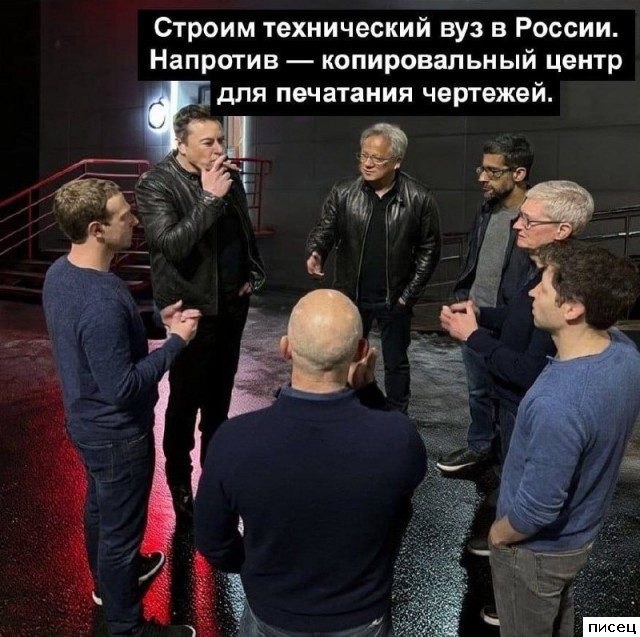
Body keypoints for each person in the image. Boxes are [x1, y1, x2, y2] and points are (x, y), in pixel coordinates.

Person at [194, 289, 427, 636]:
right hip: (362, 618)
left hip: (271, 614)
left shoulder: (234, 440)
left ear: (286, 348)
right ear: (361, 352)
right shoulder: (398, 438)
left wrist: (255, 569)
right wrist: (369, 392)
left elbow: (213, 541)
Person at [42, 179, 199, 636]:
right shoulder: (103, 298)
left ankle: (107, 584)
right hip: (117, 436)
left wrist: (154, 321)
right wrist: (176, 343)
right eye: (123, 214)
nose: (134, 218)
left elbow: (103, 343)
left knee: (100, 509)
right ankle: (126, 627)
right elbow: (124, 387)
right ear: (97, 229)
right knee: (120, 534)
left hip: (85, 424)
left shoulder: (61, 273)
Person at [439, 181, 594, 579]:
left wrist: (473, 336)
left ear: (562, 230)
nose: (516, 226)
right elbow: (516, 320)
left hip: (524, 405)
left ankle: (513, 561)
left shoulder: (562, 286)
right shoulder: (542, 270)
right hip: (512, 405)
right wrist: (480, 316)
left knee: (525, 488)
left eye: (528, 220)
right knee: (512, 475)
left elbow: (529, 370)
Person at [488, 241, 640, 637]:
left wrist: (499, 535)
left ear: (572, 308)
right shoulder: (625, 353)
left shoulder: (558, 402)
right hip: (581, 536)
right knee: (560, 617)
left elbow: (536, 511)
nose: (532, 293)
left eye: (543, 286)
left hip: (537, 553)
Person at [135, 105, 266, 521]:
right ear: (182, 144)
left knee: (219, 400)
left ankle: (216, 479)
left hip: (231, 306)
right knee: (184, 401)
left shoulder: (228, 176)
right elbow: (172, 246)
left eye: (220, 140)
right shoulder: (156, 184)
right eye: (207, 142)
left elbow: (243, 231)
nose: (218, 149)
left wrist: (251, 274)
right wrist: (209, 198)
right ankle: (179, 483)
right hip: (189, 312)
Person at [305, 122, 441, 414]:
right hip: (351, 296)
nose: (367, 163)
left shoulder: (419, 198)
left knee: (396, 363)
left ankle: (397, 418)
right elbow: (326, 229)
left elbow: (429, 250)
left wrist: (407, 297)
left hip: (395, 298)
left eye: (377, 158)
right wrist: (317, 251)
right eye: (364, 155)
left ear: (397, 161)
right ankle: (350, 411)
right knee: (347, 357)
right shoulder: (343, 192)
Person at [437, 134, 535, 473]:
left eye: (493, 171)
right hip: (476, 316)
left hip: (510, 322)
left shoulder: (536, 216)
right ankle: (480, 447)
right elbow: (475, 260)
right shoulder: (486, 209)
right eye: (481, 169)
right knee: (478, 390)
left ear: (519, 173)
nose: (482, 177)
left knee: (510, 396)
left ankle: (510, 460)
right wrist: (463, 296)